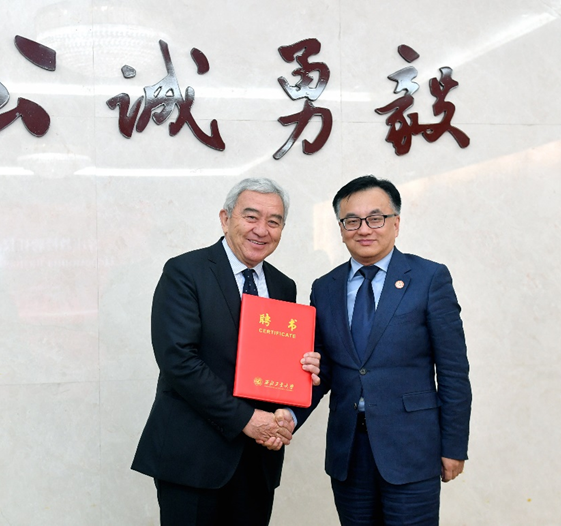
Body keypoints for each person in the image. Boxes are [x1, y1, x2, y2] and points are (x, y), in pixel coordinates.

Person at [132, 177, 320, 526]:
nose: (261, 230)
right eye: (251, 217)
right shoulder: (185, 271)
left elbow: (273, 364)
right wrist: (247, 420)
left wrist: (303, 367)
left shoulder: (283, 285)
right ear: (225, 218)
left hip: (257, 462)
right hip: (193, 458)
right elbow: (179, 360)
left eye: (274, 221)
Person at [292, 175, 472, 525]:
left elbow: (453, 371)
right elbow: (322, 369)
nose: (364, 229)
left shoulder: (429, 278)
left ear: (396, 223)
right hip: (348, 451)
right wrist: (288, 415)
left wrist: (453, 446)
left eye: (376, 218)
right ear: (341, 229)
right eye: (352, 221)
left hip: (412, 450)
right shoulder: (325, 288)